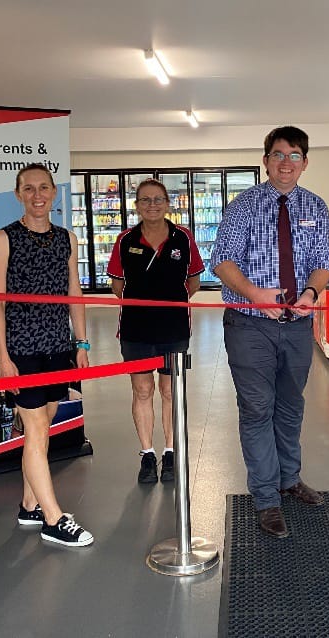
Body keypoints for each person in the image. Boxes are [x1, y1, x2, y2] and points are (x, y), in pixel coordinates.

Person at [210, 126, 329, 538]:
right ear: (265, 160)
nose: (286, 162)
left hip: (297, 327)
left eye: (295, 155)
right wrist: (254, 294)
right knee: (257, 409)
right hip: (250, 325)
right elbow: (223, 261)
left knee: (290, 407)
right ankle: (266, 498)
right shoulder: (244, 205)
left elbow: (323, 261)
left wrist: (312, 292)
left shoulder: (316, 206)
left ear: (305, 161)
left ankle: (289, 478)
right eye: (278, 154)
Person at [0, 163, 94, 547]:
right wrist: (3, 356)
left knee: (44, 423)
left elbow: (73, 293)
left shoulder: (67, 238)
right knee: (34, 428)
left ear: (53, 193)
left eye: (43, 188)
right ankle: (52, 518)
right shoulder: (4, 238)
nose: (37, 195)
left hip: (56, 345)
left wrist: (80, 342)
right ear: (18, 194)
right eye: (28, 189)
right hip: (21, 348)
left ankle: (29, 504)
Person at [107, 178, 204, 484]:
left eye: (158, 199)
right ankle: (147, 454)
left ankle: (171, 453)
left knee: (169, 390)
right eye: (145, 200)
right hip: (135, 329)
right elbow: (117, 285)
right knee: (142, 390)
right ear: (137, 206)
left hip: (173, 329)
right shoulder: (125, 240)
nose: (152, 205)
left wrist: (170, 304)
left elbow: (194, 281)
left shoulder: (183, 238)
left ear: (167, 203)